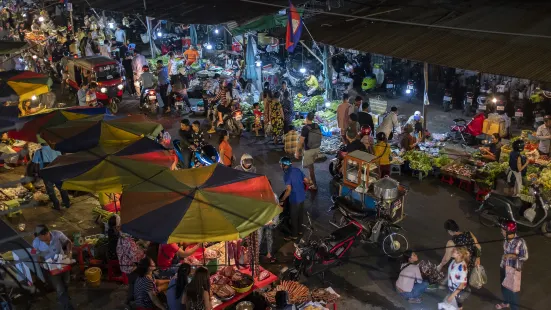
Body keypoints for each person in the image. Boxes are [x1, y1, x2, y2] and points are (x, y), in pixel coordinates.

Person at [32, 225, 75, 310]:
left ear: (46, 233)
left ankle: (63, 297)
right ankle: (67, 306)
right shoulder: (36, 242)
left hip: (63, 262)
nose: (39, 238)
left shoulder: (57, 234)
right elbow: (33, 252)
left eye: (40, 237)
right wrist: (40, 262)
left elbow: (68, 242)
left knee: (66, 282)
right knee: (59, 288)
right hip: (51, 268)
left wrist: (69, 253)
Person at [496, 221, 528, 310]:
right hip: (504, 266)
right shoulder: (505, 239)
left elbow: (524, 257)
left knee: (513, 293)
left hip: (514, 270)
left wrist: (511, 255)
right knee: (503, 287)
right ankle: (506, 303)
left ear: (509, 232)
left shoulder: (520, 242)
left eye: (503, 230)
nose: (501, 232)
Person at [279, 157, 311, 240]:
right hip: (302, 197)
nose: (280, 165)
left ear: (284, 165)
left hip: (294, 199)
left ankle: (294, 235)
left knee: (294, 217)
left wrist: (282, 200)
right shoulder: (297, 170)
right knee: (300, 215)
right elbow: (307, 180)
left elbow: (288, 190)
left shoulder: (286, 175)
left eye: (281, 164)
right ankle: (300, 231)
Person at [32, 143, 70, 210]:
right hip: (57, 171)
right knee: (61, 187)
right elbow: (62, 159)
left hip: (46, 173)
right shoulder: (56, 149)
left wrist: (37, 173)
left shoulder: (38, 152)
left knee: (50, 190)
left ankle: (56, 205)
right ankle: (66, 203)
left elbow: (35, 165)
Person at [117, 232, 146, 307]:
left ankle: (130, 300)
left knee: (132, 284)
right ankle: (134, 302)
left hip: (125, 266)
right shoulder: (129, 241)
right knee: (136, 284)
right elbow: (135, 258)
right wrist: (143, 254)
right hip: (131, 267)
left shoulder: (121, 237)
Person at [296, 112, 321, 191]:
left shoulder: (305, 128)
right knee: (311, 165)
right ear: (313, 118)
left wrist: (297, 151)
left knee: (311, 169)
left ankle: (314, 185)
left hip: (309, 150)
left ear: (306, 118)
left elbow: (301, 142)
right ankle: (311, 180)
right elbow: (320, 136)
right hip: (317, 148)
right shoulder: (317, 126)